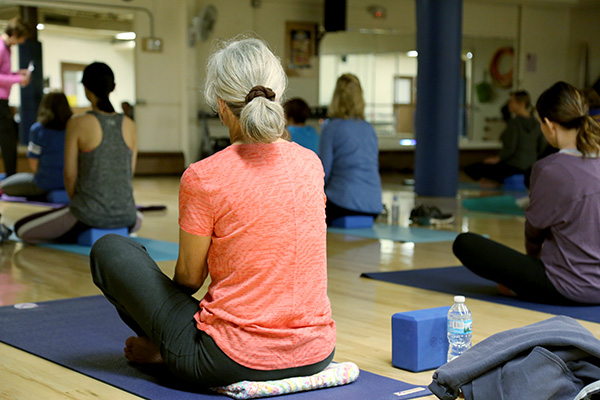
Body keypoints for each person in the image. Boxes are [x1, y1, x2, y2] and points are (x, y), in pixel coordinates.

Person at [88, 37, 336, 388]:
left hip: (226, 361)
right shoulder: (311, 164)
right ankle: (172, 348)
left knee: (111, 250)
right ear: (277, 96)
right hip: (317, 353)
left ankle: (170, 350)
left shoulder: (203, 176)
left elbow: (190, 279)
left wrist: (166, 323)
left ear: (220, 105)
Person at [453, 81, 600, 305]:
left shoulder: (549, 168)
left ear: (550, 125)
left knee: (465, 243)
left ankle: (522, 288)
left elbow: (534, 235)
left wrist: (528, 269)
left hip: (567, 288)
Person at [13, 62, 140, 242]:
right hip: (128, 216)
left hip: (88, 215)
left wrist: (80, 205)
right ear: (113, 87)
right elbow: (129, 173)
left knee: (21, 229)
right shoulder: (130, 124)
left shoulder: (77, 122)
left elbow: (70, 175)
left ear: (86, 89)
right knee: (137, 219)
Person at [319, 73, 382, 225]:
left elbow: (323, 173)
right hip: (374, 204)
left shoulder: (331, 128)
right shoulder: (369, 129)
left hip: (342, 203)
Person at [464, 90, 547, 187]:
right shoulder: (537, 124)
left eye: (512, 101)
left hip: (512, 167)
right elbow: (541, 148)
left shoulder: (514, 123)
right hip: (529, 169)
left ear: (521, 103)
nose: (509, 104)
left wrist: (498, 158)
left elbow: (510, 148)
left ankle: (495, 184)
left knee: (471, 169)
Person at [1, 91, 72, 198]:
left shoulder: (38, 129)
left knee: (4, 186)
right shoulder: (73, 128)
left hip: (44, 183)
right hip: (70, 182)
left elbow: (33, 162)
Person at [0, 16, 32, 178]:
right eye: (20, 38)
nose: (21, 42)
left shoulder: (7, 49)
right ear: (14, 34)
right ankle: (11, 177)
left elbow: (3, 74)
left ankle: (11, 176)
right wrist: (18, 79)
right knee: (8, 140)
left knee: (9, 139)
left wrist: (16, 74)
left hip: (3, 101)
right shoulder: (0, 47)